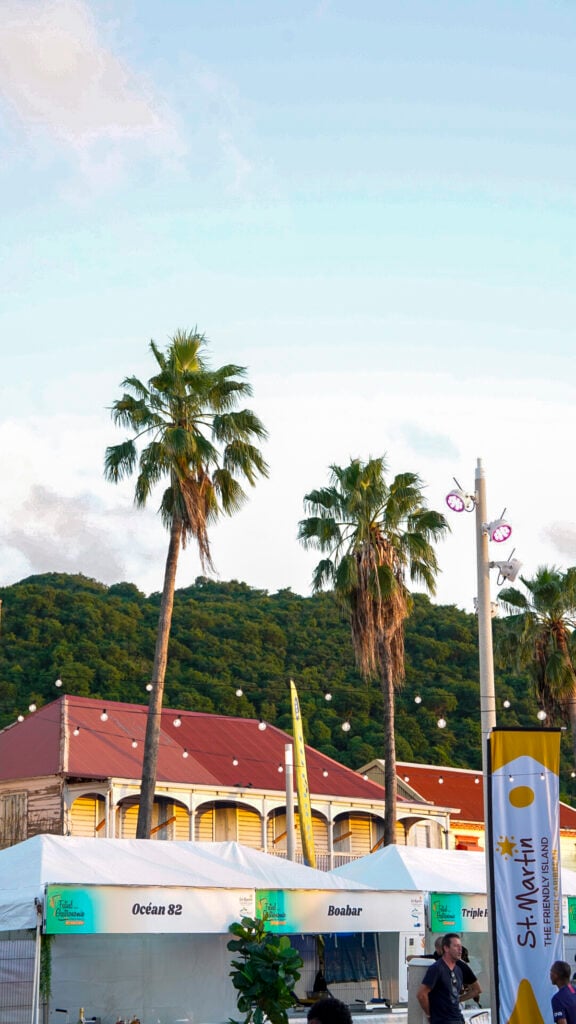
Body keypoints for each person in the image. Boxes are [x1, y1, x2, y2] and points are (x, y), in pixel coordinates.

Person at [417, 933, 480, 1024]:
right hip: (442, 1020)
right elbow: (421, 995)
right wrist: (429, 1015)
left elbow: (476, 990)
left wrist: (460, 1000)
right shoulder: (437, 968)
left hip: (458, 1018)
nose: (460, 949)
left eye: (460, 946)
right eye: (456, 946)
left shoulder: (459, 969)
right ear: (446, 948)